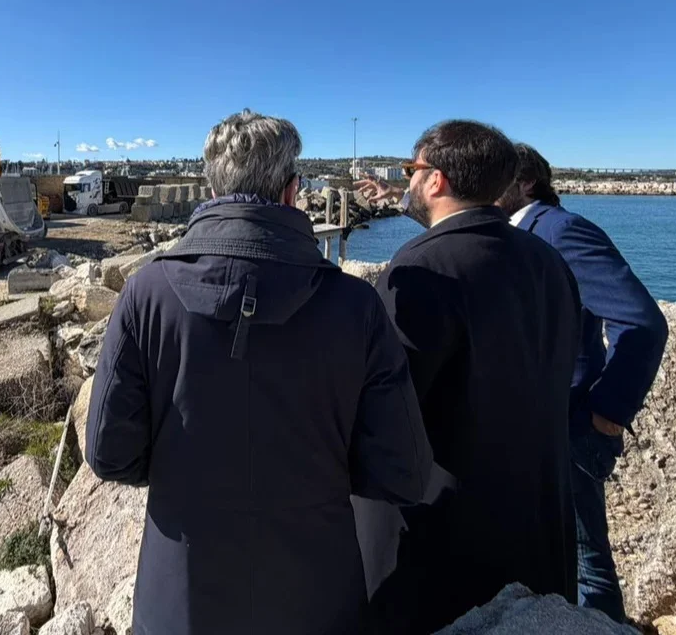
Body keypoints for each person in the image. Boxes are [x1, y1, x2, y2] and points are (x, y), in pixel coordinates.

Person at [86, 110, 433, 635]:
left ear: (210, 186)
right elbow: (402, 468)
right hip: (318, 600)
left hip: (179, 601)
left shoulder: (146, 293)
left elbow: (110, 455)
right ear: (293, 191)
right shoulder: (357, 306)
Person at [359, 120, 583, 634]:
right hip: (537, 524)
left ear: (435, 180)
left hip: (446, 546)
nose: (407, 181)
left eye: (410, 171)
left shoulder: (421, 268)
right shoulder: (548, 260)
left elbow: (387, 405)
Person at [497, 143, 669, 622]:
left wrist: (608, 412)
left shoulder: (560, 230)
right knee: (551, 553)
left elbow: (642, 322)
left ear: (526, 183)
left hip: (572, 425)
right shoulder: (522, 230)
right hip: (543, 422)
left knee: (586, 562)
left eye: (497, 176)